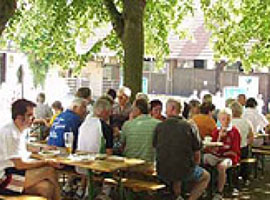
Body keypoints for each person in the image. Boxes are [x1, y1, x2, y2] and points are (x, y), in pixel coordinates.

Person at [0, 99, 61, 200]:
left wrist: (43, 148)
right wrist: (45, 162)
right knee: (49, 171)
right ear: (19, 118)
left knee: (46, 188)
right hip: (4, 179)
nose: (33, 118)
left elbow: (25, 146)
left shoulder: (17, 129)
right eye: (30, 115)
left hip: (13, 173)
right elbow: (20, 165)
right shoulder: (10, 133)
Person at [153, 99, 210, 200]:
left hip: (162, 169)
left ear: (172, 109)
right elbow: (197, 151)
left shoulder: (160, 126)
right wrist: (195, 165)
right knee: (205, 177)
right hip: (184, 169)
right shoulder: (190, 126)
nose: (165, 112)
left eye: (166, 109)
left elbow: (155, 147)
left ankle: (178, 196)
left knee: (177, 171)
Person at [77, 97, 114, 199]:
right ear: (103, 112)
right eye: (109, 112)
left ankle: (83, 191)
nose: (110, 114)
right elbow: (109, 152)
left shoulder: (84, 123)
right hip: (95, 166)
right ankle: (104, 194)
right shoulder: (105, 128)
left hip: (80, 164)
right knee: (112, 167)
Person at [204, 108, 241, 200]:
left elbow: (235, 150)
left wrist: (223, 152)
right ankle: (206, 187)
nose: (226, 121)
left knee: (221, 166)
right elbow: (213, 147)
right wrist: (219, 137)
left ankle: (219, 191)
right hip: (217, 155)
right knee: (203, 159)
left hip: (229, 157)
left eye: (228, 119)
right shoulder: (216, 131)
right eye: (223, 119)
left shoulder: (234, 131)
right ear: (219, 120)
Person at [230, 101, 253, 183]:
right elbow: (251, 138)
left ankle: (231, 178)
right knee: (246, 153)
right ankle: (245, 177)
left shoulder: (229, 123)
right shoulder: (247, 122)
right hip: (243, 149)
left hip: (231, 150)